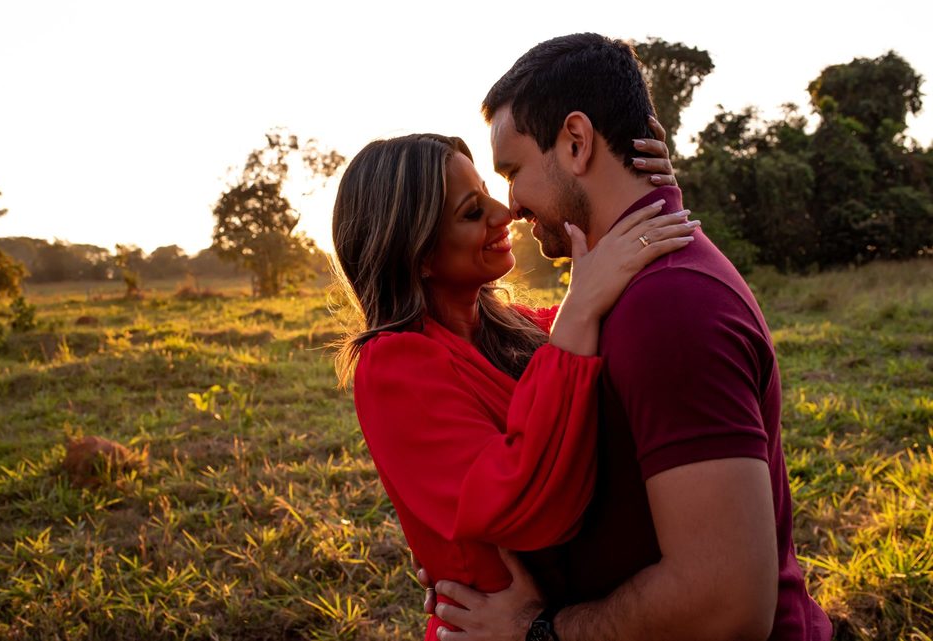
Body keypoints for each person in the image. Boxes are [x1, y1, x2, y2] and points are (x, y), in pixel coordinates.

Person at [427, 33, 833, 641]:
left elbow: (726, 602)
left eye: (512, 171)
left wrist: (541, 632)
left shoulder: (670, 306)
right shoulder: (627, 287)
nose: (509, 206)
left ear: (576, 141)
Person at [331, 131, 694, 641]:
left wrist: (654, 194)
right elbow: (524, 505)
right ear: (419, 255)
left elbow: (618, 307)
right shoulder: (393, 365)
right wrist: (580, 308)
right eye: (470, 211)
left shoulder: (515, 327)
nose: (503, 214)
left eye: (486, 191)